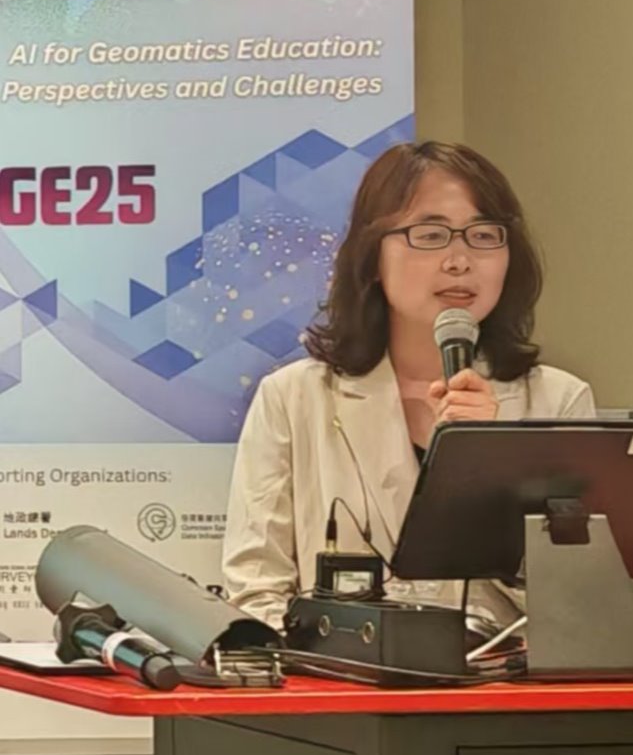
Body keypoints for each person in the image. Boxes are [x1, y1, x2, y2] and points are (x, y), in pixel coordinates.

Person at [221, 141, 595, 630]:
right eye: (431, 235)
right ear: (373, 256)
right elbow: (257, 591)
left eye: (484, 235)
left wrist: (491, 468)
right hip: (340, 674)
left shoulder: (557, 402)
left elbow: (579, 603)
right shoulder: (294, 398)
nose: (460, 260)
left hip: (500, 674)